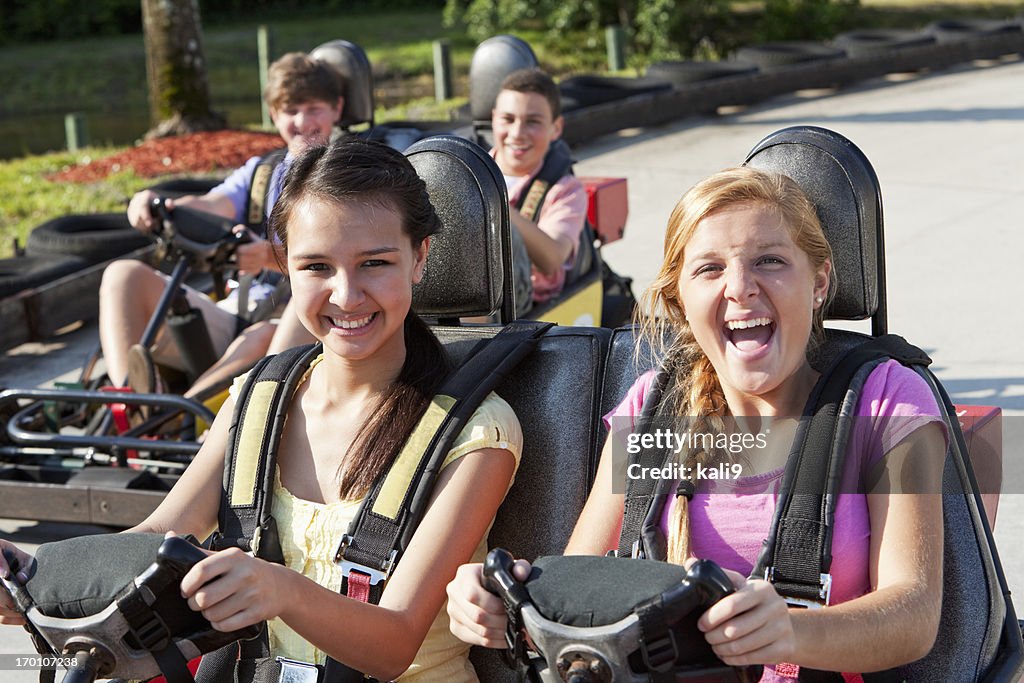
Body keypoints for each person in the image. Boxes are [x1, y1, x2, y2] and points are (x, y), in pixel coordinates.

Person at [2, 138, 523, 682]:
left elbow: (393, 643)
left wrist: (280, 590)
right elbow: (160, 534)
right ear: (285, 268)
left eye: (374, 263)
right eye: (317, 266)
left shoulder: (476, 431)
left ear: (420, 258)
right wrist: (37, 576)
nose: (346, 295)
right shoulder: (259, 397)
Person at [444, 166, 946, 680]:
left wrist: (791, 632)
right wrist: (501, 602)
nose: (740, 288)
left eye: (770, 261)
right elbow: (578, 590)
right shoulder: (650, 410)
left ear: (818, 283)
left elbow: (913, 615)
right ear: (679, 301)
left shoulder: (886, 399)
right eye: (709, 269)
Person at [99, 52, 345, 398]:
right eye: (290, 110)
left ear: (337, 108)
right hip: (241, 311)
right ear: (274, 115)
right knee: (122, 275)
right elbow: (208, 205)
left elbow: (347, 257)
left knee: (260, 335)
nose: (302, 120)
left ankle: (188, 415)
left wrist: (270, 256)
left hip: (308, 319)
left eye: (313, 108)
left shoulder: (348, 175)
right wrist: (153, 204)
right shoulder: (261, 173)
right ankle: (132, 402)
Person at [491, 68, 588, 316]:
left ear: (556, 128)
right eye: (508, 119)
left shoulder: (566, 190)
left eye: (532, 122)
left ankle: (463, 350)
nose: (517, 133)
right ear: (493, 119)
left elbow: (553, 258)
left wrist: (494, 203)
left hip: (522, 302)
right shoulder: (465, 170)